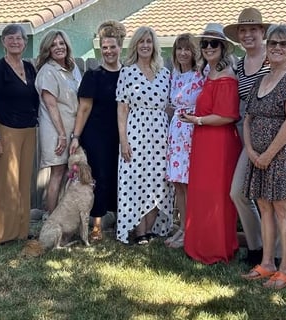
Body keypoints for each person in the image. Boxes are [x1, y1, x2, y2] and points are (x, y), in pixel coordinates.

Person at [223, 7, 286, 265]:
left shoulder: (279, 53)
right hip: (253, 138)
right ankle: (257, 248)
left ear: (262, 32)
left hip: (285, 140)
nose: (248, 34)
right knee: (239, 192)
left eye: (253, 29)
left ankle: (276, 256)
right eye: (243, 30)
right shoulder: (240, 66)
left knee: (279, 201)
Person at [241, 24, 286, 289]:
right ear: (267, 48)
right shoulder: (261, 79)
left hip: (282, 156)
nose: (278, 48)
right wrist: (250, 149)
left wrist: (267, 154)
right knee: (265, 208)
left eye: (284, 44)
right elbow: (248, 118)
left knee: (283, 210)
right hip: (258, 156)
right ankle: (267, 263)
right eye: (273, 44)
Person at [181, 23, 241, 264]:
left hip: (219, 144)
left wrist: (197, 120)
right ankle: (199, 244)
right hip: (204, 140)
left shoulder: (227, 77)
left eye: (213, 43)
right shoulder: (209, 73)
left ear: (223, 47)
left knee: (217, 195)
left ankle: (217, 249)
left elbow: (227, 115)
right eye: (204, 43)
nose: (208, 47)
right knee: (202, 193)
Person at [115, 26, 174, 245]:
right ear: (136, 45)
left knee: (158, 182)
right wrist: (123, 140)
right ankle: (139, 232)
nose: (145, 45)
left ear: (154, 45)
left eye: (149, 41)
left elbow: (170, 106)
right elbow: (122, 109)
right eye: (141, 41)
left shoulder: (164, 73)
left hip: (160, 135)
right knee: (135, 181)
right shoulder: (127, 72)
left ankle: (149, 230)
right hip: (136, 133)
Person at [69, 21, 126, 242]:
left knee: (119, 177)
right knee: (99, 178)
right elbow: (83, 109)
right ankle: (97, 226)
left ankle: (123, 221)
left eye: (113, 47)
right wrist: (76, 137)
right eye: (105, 48)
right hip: (97, 136)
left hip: (121, 136)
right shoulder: (93, 76)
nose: (109, 51)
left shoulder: (128, 75)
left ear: (120, 47)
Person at [0, 24, 39, 245]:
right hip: (6, 130)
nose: (16, 42)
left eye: (19, 38)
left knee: (24, 182)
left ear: (25, 43)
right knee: (6, 183)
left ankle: (21, 231)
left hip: (29, 130)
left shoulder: (29, 67)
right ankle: (0, 234)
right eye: (11, 38)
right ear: (3, 42)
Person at [163, 34, 204, 249]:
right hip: (176, 131)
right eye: (179, 49)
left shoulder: (201, 74)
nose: (183, 53)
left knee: (189, 184)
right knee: (178, 184)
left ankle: (191, 229)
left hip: (192, 131)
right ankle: (182, 226)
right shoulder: (174, 74)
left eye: (187, 49)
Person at [35, 30, 81, 214]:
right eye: (53, 45)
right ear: (48, 49)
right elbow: (51, 105)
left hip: (71, 129)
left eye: (61, 43)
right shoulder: (48, 71)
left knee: (68, 175)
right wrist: (62, 135)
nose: (58, 47)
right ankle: (50, 219)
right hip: (56, 131)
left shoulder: (70, 69)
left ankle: (63, 218)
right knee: (57, 174)